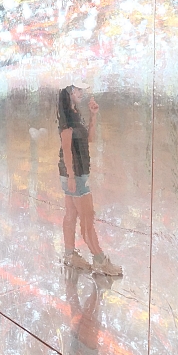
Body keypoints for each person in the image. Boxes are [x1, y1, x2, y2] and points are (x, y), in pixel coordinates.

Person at [57, 81, 121, 276]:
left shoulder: (75, 116)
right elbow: (67, 149)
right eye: (77, 89)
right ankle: (100, 259)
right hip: (75, 173)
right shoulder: (67, 119)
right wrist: (71, 175)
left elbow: (89, 139)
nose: (81, 92)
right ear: (68, 92)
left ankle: (70, 254)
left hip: (75, 172)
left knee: (71, 214)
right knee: (87, 217)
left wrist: (93, 117)